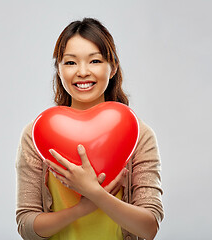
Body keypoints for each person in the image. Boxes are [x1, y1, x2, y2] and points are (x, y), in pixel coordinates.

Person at [15, 18, 164, 240]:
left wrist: (95, 193)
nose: (82, 72)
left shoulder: (138, 134)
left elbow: (149, 227)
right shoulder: (37, 134)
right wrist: (81, 209)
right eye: (70, 63)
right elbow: (26, 226)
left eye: (94, 61)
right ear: (58, 69)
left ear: (112, 67)